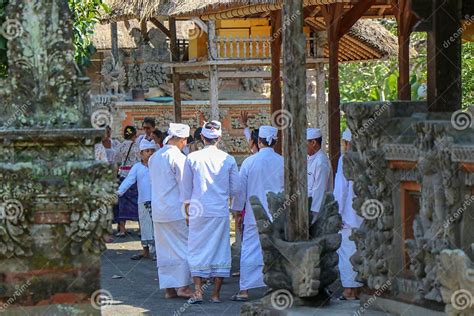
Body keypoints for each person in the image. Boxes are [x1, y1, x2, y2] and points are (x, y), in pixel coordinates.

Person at [182, 121, 241, 303]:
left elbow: (186, 190)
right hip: (219, 211)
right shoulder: (228, 159)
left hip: (198, 210)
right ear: (220, 138)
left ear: (202, 137)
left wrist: (186, 214)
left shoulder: (192, 158)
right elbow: (235, 189)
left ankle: (198, 291)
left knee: (196, 249)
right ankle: (215, 294)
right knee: (220, 250)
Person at [231, 126, 283, 301]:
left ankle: (245, 290)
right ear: (274, 142)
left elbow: (240, 191)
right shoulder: (282, 161)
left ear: (259, 141)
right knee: (275, 250)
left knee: (250, 249)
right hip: (276, 214)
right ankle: (274, 287)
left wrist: (238, 212)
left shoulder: (249, 162)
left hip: (254, 214)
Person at [149, 123, 193, 299]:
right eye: (185, 141)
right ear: (182, 140)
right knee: (182, 247)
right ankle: (182, 286)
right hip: (175, 211)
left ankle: (168, 288)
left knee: (164, 249)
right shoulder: (179, 158)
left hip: (158, 210)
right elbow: (185, 188)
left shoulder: (154, 157)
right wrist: (189, 211)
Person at [334, 128, 363, 300]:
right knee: (360, 252)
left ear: (346, 143)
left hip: (348, 216)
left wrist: (337, 213)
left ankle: (348, 291)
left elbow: (340, 190)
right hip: (364, 216)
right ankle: (358, 289)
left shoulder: (345, 159)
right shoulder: (366, 158)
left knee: (346, 253)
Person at [117, 139, 156, 260]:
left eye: (152, 151)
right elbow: (129, 180)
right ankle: (146, 251)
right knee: (144, 227)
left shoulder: (158, 166)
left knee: (156, 228)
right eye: (147, 151)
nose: (150, 153)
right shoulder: (137, 167)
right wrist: (119, 192)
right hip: (143, 202)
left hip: (157, 202)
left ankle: (157, 253)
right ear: (141, 153)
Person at [114, 126, 141, 237]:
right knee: (138, 202)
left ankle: (122, 229)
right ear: (134, 136)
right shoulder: (137, 147)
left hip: (123, 176)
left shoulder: (119, 146)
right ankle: (140, 229)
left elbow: (117, 162)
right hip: (134, 177)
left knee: (122, 203)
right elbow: (140, 161)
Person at [307, 128, 333, 222]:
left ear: (313, 143)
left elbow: (319, 191)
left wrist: (312, 217)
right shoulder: (309, 158)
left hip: (315, 212)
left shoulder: (321, 162)